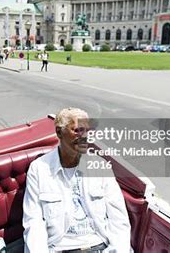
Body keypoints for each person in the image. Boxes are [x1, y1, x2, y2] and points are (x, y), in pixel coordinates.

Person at [23, 108, 131, 253]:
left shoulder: (100, 167)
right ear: (59, 132)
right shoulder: (39, 169)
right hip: (60, 249)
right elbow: (34, 223)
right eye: (77, 130)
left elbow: (119, 220)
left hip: (101, 246)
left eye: (87, 131)